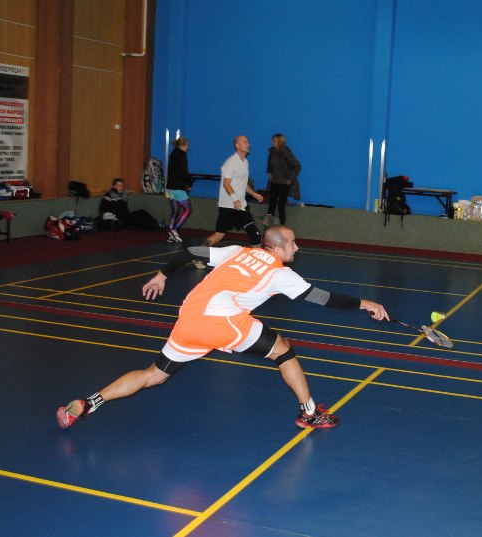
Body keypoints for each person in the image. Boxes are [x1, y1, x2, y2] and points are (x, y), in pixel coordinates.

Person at [56, 224, 390, 430]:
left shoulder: (236, 251)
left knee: (154, 374)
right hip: (223, 321)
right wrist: (366, 304)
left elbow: (191, 251)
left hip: (190, 316)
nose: (297, 248)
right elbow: (321, 298)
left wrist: (162, 275)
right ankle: (309, 413)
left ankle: (88, 403)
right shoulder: (280, 273)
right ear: (276, 248)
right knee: (284, 351)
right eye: (292, 243)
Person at [203, 135, 264, 247]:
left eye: (248, 142)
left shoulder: (245, 162)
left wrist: (254, 194)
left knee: (255, 234)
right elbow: (226, 184)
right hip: (228, 206)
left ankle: (258, 255)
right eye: (245, 142)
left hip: (241, 206)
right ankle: (203, 251)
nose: (248, 144)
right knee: (219, 235)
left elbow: (243, 183)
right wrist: (235, 200)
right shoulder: (231, 163)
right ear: (237, 145)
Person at [265, 133, 301, 226]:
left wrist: (290, 179)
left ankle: (282, 227)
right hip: (274, 182)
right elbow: (269, 164)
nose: (272, 142)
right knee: (271, 205)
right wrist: (269, 172)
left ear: (280, 142)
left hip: (284, 184)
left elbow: (297, 166)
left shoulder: (286, 152)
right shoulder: (272, 152)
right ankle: (269, 227)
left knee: (281, 206)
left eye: (274, 140)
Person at [165, 137, 193, 243]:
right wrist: (189, 183)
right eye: (187, 145)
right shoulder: (181, 155)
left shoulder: (173, 155)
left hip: (170, 188)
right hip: (178, 188)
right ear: (182, 146)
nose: (188, 148)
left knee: (175, 211)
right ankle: (174, 231)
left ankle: (171, 233)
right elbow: (184, 171)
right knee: (188, 210)